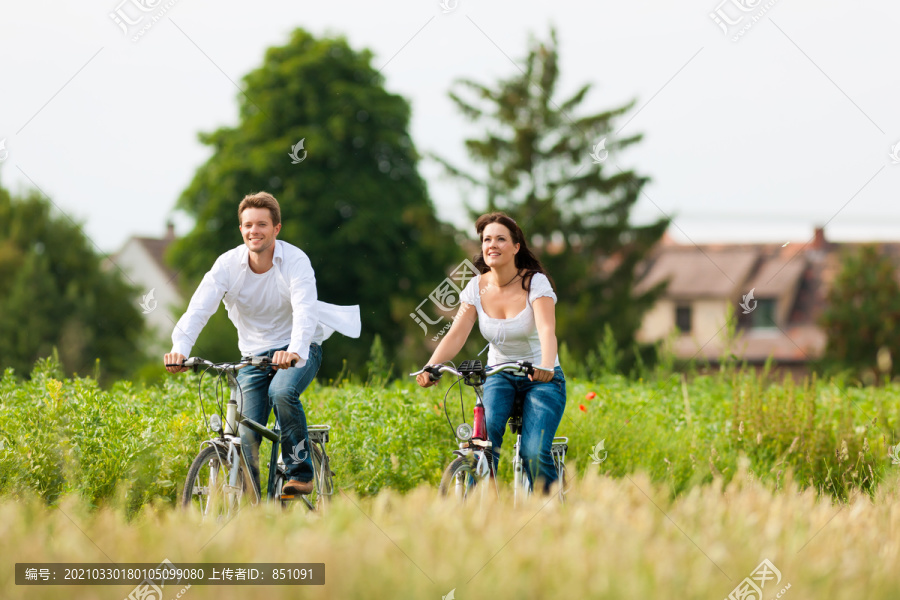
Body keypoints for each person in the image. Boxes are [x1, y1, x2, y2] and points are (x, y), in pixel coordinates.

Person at [164, 191, 360, 497]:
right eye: (247, 225)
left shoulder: (295, 261)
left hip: (299, 346)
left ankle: (300, 472)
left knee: (282, 391)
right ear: (241, 229)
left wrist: (294, 350)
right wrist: (180, 349)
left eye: (262, 224)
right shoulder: (227, 265)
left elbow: (305, 310)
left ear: (276, 228)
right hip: (252, 356)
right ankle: (253, 501)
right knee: (246, 433)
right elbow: (198, 310)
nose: (254, 230)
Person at [416, 212, 566, 494]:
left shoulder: (536, 283)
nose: (492, 245)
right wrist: (430, 367)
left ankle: (553, 516)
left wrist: (546, 365)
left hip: (542, 378)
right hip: (499, 374)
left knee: (533, 453)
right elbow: (457, 333)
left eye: (500, 239)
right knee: (482, 447)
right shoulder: (476, 286)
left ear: (516, 246)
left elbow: (547, 330)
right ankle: (477, 518)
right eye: (486, 239)